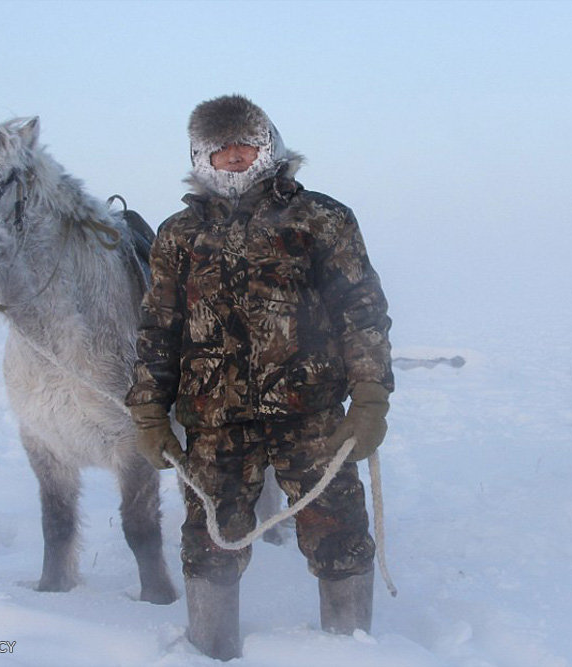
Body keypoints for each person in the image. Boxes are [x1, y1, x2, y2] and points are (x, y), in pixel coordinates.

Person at [126, 94, 394, 661]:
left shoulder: (322, 218)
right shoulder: (178, 236)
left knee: (339, 529)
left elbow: (361, 311)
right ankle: (210, 650)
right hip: (214, 421)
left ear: (267, 145)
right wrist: (150, 411)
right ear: (201, 157)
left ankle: (352, 650)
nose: (234, 157)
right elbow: (158, 328)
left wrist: (370, 397)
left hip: (311, 412)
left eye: (245, 144)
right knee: (211, 539)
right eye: (219, 149)